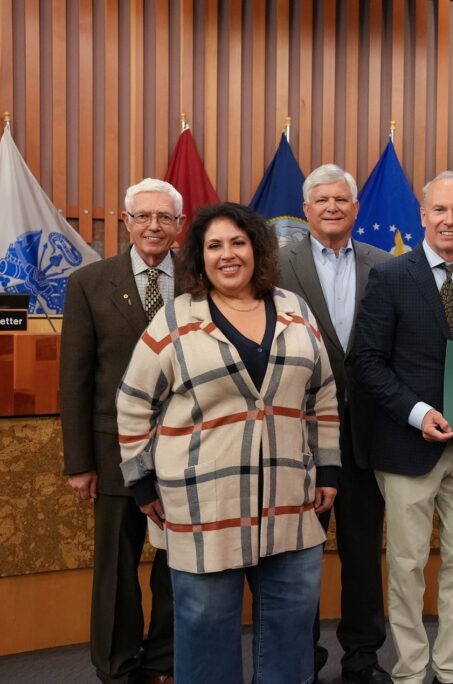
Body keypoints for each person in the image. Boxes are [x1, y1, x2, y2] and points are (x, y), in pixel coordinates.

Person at [117, 202, 341, 683]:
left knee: (289, 629)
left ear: (257, 249)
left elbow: (322, 393)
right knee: (205, 629)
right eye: (214, 245)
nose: (227, 255)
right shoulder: (176, 320)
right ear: (199, 256)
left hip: (289, 501)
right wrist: (141, 482)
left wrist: (329, 468)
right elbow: (134, 401)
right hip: (202, 504)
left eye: (237, 242)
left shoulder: (293, 309)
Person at [349, 171, 453, 684]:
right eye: (439, 211)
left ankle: (450, 672)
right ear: (423, 217)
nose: (449, 220)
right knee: (405, 568)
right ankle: (410, 672)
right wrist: (419, 413)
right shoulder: (392, 277)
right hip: (407, 447)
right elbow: (368, 361)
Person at [61, 178, 180, 684]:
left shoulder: (203, 280)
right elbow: (75, 379)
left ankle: (164, 661)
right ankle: (116, 663)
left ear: (179, 226)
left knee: (180, 568)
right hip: (113, 453)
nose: (154, 225)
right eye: (144, 216)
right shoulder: (89, 282)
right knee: (115, 568)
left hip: (188, 450)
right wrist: (79, 462)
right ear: (126, 222)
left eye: (165, 217)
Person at [279, 164, 393, 684]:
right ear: (305, 211)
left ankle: (362, 657)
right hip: (298, 437)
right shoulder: (276, 267)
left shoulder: (387, 266)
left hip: (371, 435)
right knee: (298, 556)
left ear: (355, 207)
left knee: (364, 554)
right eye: (320, 200)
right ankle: (300, 655)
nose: (331, 208)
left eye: (340, 200)